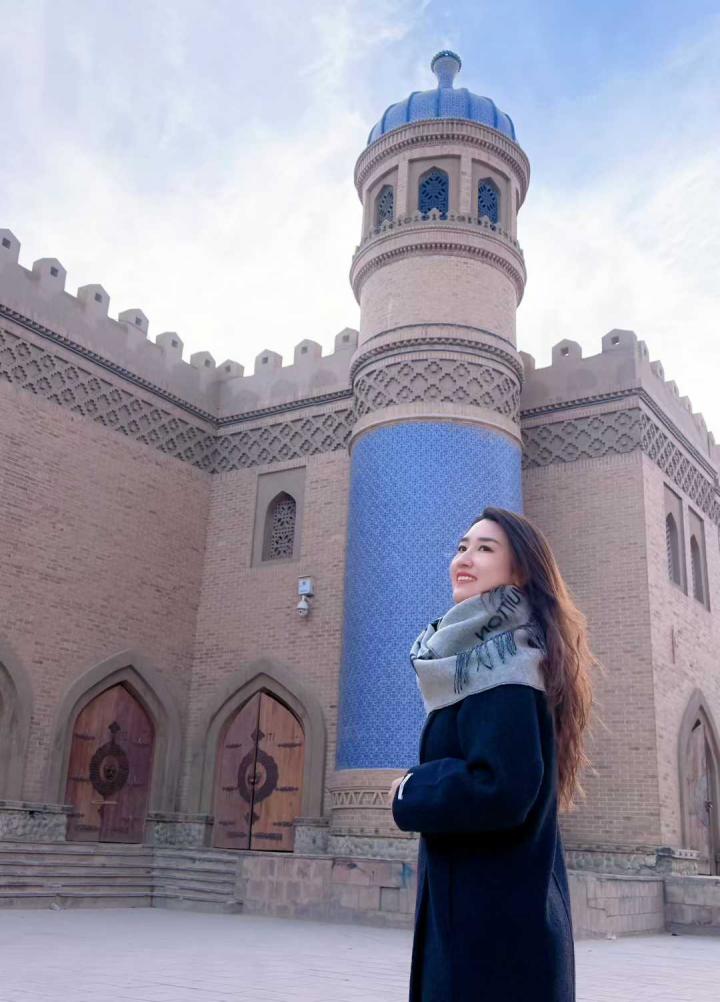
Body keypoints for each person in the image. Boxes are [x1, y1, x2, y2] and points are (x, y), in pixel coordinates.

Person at [389, 506, 598, 1001]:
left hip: (491, 941)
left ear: (520, 571)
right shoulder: (491, 660)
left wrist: (411, 789)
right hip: (492, 924)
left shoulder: (503, 668)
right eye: (462, 547)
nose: (465, 558)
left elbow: (503, 788)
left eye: (485, 549)